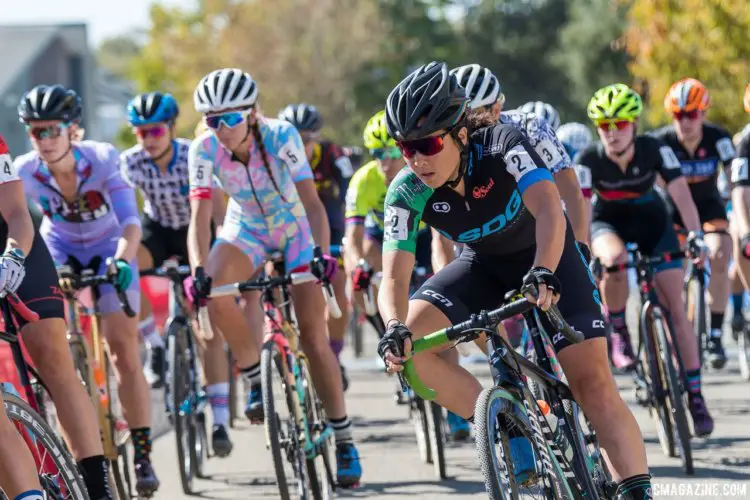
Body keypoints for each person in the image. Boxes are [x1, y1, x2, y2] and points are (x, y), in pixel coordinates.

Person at [377, 62, 652, 500]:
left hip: (547, 255)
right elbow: (394, 271)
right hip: (481, 266)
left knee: (593, 384)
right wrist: (393, 326)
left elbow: (547, 207)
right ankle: (506, 424)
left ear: (460, 133)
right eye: (405, 148)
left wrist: (544, 269)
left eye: (427, 144)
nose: (416, 159)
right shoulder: (407, 190)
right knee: (412, 350)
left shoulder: (503, 142)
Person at [188, 68, 362, 486]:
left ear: (250, 114)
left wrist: (320, 255)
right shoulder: (203, 148)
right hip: (244, 227)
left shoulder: (282, 136)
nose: (222, 128)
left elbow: (312, 203)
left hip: (294, 226)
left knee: (313, 335)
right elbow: (199, 219)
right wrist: (197, 270)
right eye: (213, 120)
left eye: (230, 118)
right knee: (212, 293)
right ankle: (252, 374)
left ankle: (343, 437)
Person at [14, 84, 159, 496]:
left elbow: (130, 220)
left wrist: (123, 259)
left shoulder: (102, 158)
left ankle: (143, 452)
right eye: (34, 131)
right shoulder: (25, 170)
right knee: (62, 355)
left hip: (109, 246)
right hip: (60, 248)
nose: (42, 141)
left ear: (72, 130)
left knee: (122, 350)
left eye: (50, 131)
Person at [577, 83, 714, 436]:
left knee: (677, 311)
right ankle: (619, 327)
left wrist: (696, 235)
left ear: (634, 125)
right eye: (604, 125)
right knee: (614, 259)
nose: (612, 132)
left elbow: (681, 194)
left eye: (620, 124)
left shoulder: (655, 148)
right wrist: (583, 249)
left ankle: (696, 397)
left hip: (653, 222)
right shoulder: (588, 159)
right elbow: (581, 211)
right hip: (609, 223)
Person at [121, 91, 233, 457]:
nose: (148, 140)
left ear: (169, 128)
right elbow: (123, 214)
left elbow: (217, 213)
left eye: (154, 131)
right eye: (140, 133)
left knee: (206, 326)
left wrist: (216, 256)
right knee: (124, 265)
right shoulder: (131, 162)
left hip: (196, 229)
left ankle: (218, 419)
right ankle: (153, 343)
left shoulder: (193, 154)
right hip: (159, 229)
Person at [0, 132, 95, 500]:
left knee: (52, 355)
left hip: (12, 242)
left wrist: (13, 256)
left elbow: (16, 213)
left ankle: (98, 484)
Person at [651, 78, 736, 369]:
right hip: (673, 213)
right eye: (678, 115)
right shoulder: (661, 142)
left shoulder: (719, 138)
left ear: (704, 113)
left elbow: (736, 177)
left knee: (719, 253)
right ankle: (680, 335)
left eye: (691, 114)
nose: (684, 122)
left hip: (709, 207)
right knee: (676, 272)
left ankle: (714, 334)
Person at [451, 65, 589, 245]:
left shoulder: (531, 129)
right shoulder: (447, 143)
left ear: (496, 109)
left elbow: (571, 194)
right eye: (456, 117)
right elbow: (441, 239)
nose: (464, 125)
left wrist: (581, 248)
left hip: (536, 229)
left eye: (472, 116)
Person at [277, 103, 353, 390]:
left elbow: (349, 192)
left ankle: (331, 350)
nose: (301, 146)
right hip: (291, 224)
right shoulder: (278, 158)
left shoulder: (332, 154)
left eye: (307, 139)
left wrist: (348, 235)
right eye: (295, 138)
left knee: (337, 278)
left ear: (317, 139)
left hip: (329, 222)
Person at [729, 85, 750, 333]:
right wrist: (746, 233)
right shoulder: (745, 142)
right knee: (738, 237)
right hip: (743, 203)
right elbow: (740, 192)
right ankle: (739, 308)